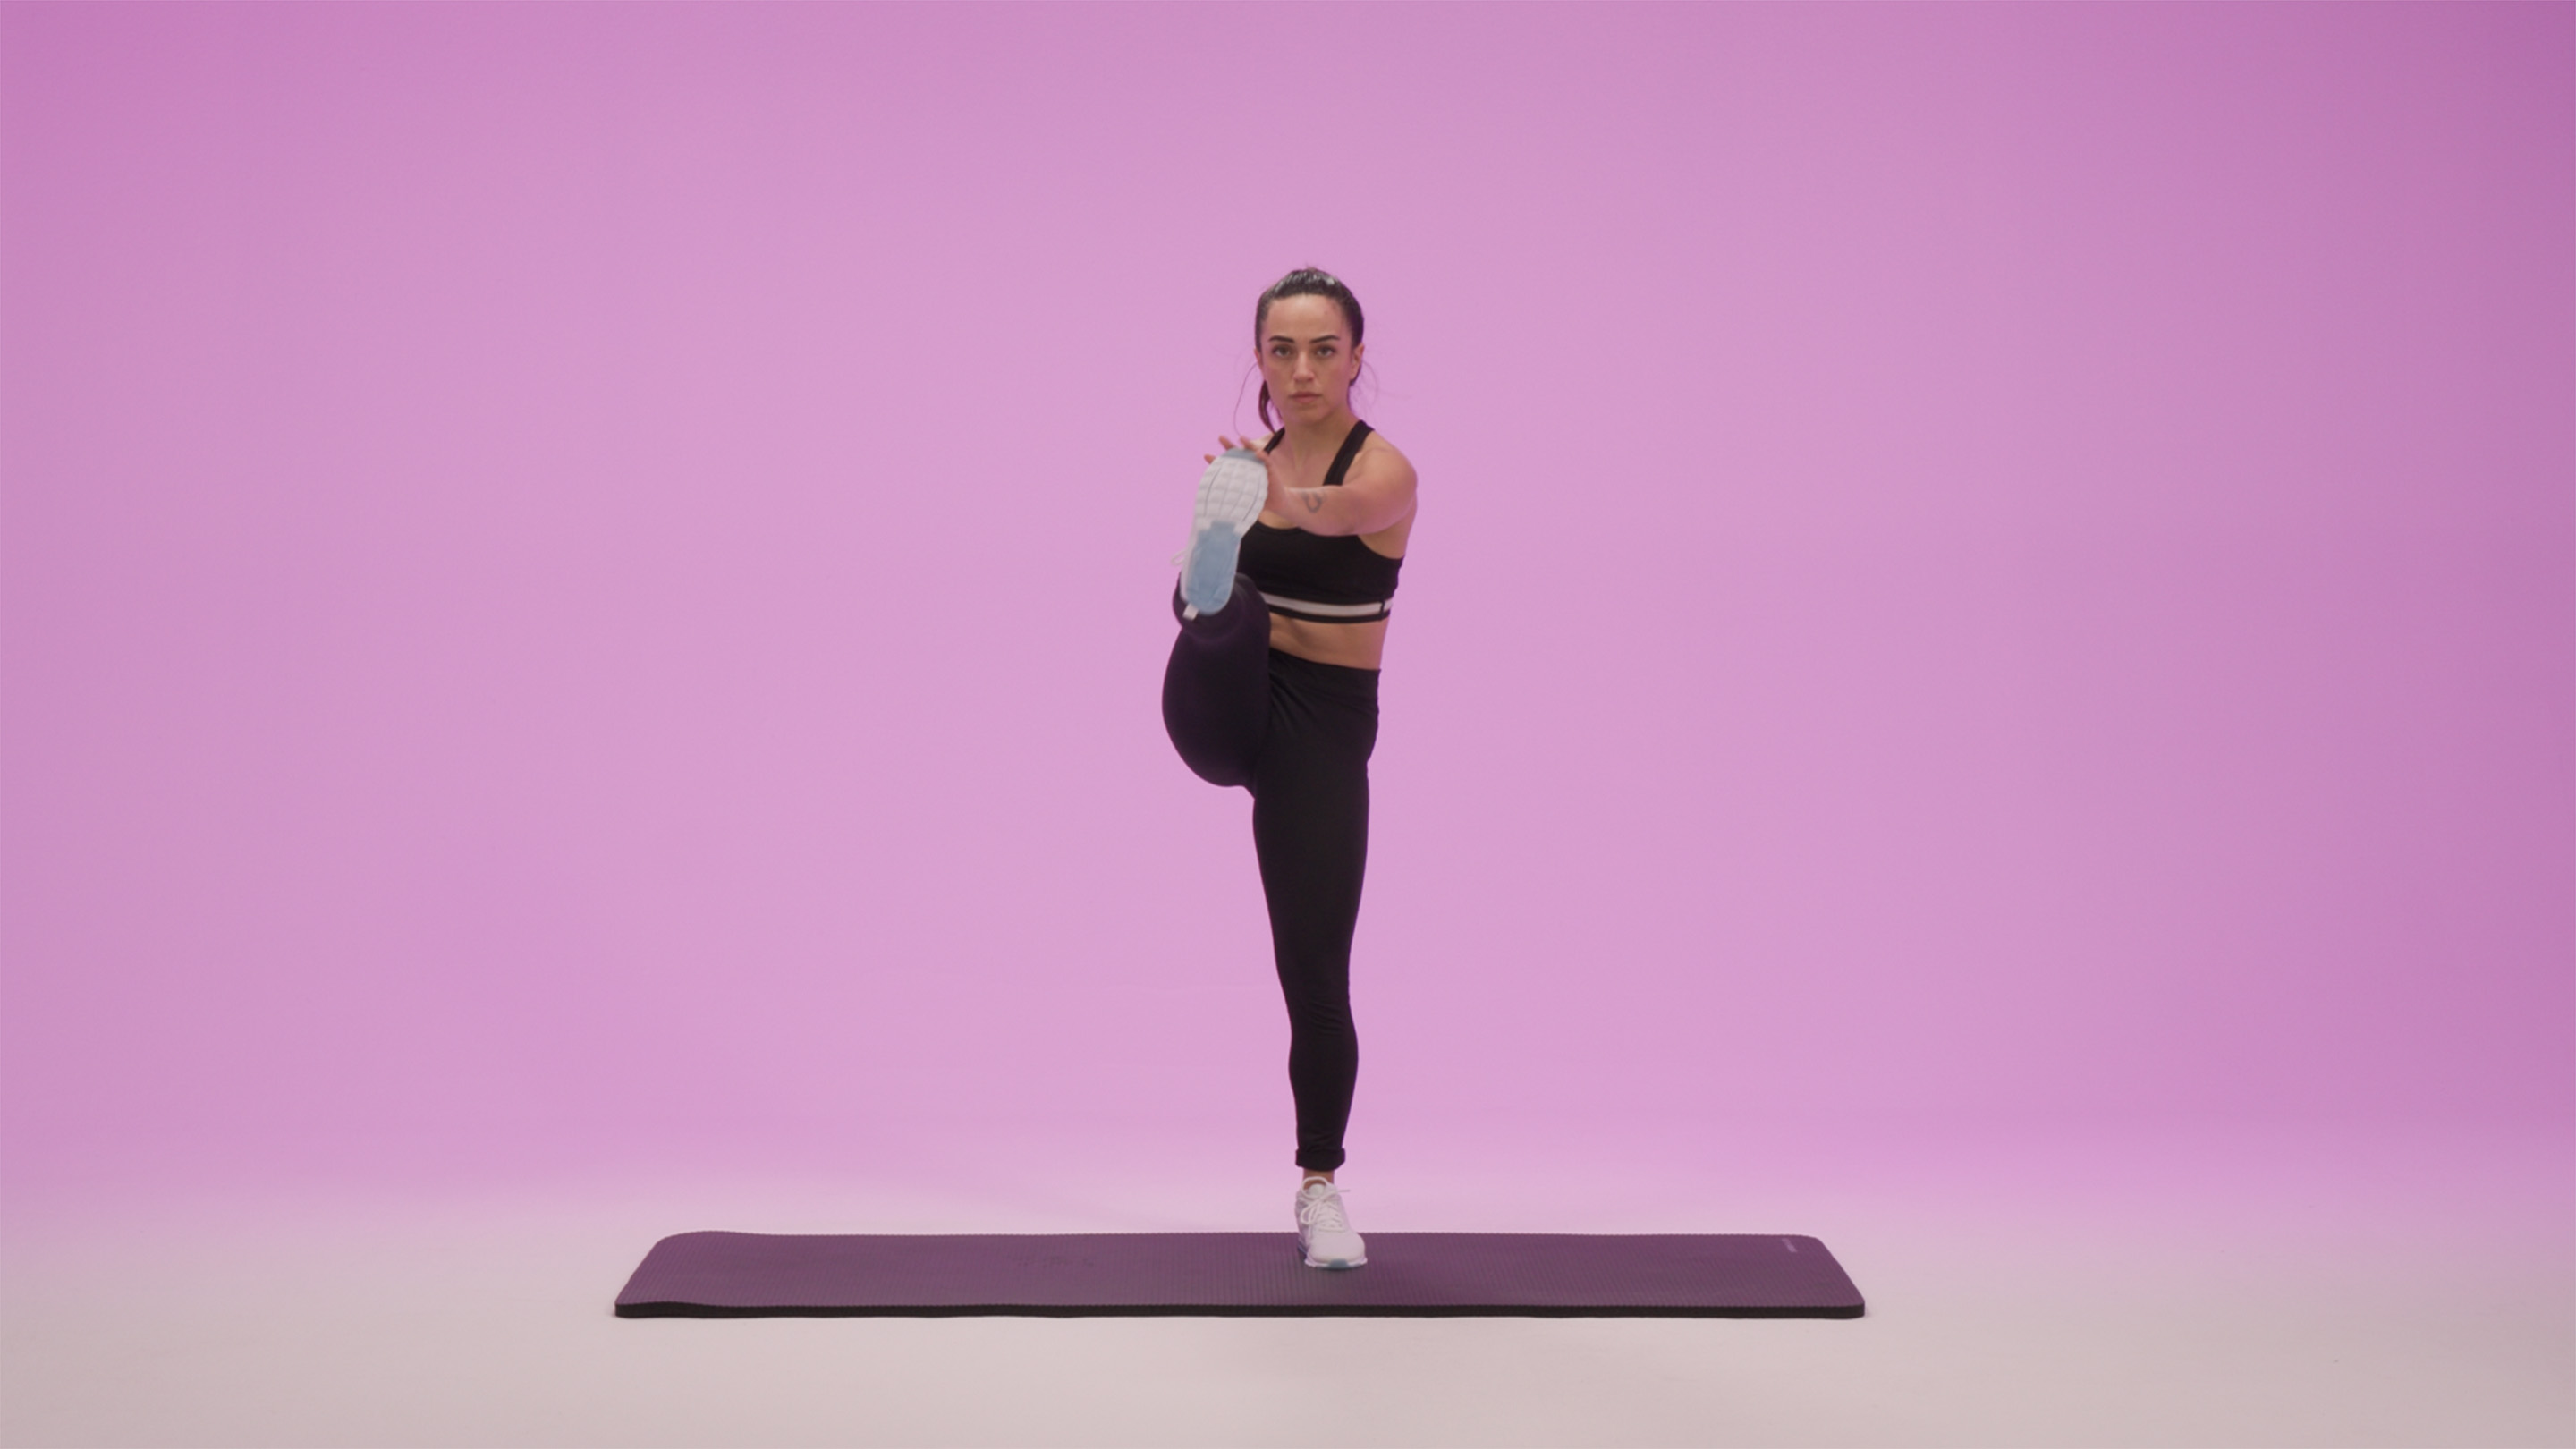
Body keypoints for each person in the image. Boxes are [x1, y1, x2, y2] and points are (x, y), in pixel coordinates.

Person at [1160, 267, 1419, 1269]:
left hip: (1321, 724)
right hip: (1228, 705)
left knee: (1312, 964)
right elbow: (1275, 500)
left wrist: (1278, 500)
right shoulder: (1247, 467)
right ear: (1260, 360)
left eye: (1323, 350)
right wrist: (1230, 525)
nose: (1302, 369)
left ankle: (1319, 1187)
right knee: (1219, 608)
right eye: (1281, 350)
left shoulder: (1385, 471)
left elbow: (1333, 513)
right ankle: (1214, 600)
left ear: (1356, 358)